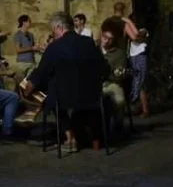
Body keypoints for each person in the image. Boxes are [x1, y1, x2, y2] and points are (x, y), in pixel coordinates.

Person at [22, 13, 109, 151]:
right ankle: (95, 139)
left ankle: (70, 138)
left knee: (51, 93)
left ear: (59, 27)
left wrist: (29, 85)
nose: (53, 34)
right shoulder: (88, 43)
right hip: (91, 96)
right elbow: (104, 68)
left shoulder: (54, 48)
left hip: (64, 98)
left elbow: (42, 72)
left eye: (53, 31)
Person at [123, 18, 150, 117]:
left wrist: (129, 24)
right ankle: (142, 108)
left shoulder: (143, 30)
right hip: (133, 57)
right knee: (137, 82)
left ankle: (144, 110)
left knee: (140, 82)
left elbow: (137, 37)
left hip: (140, 56)